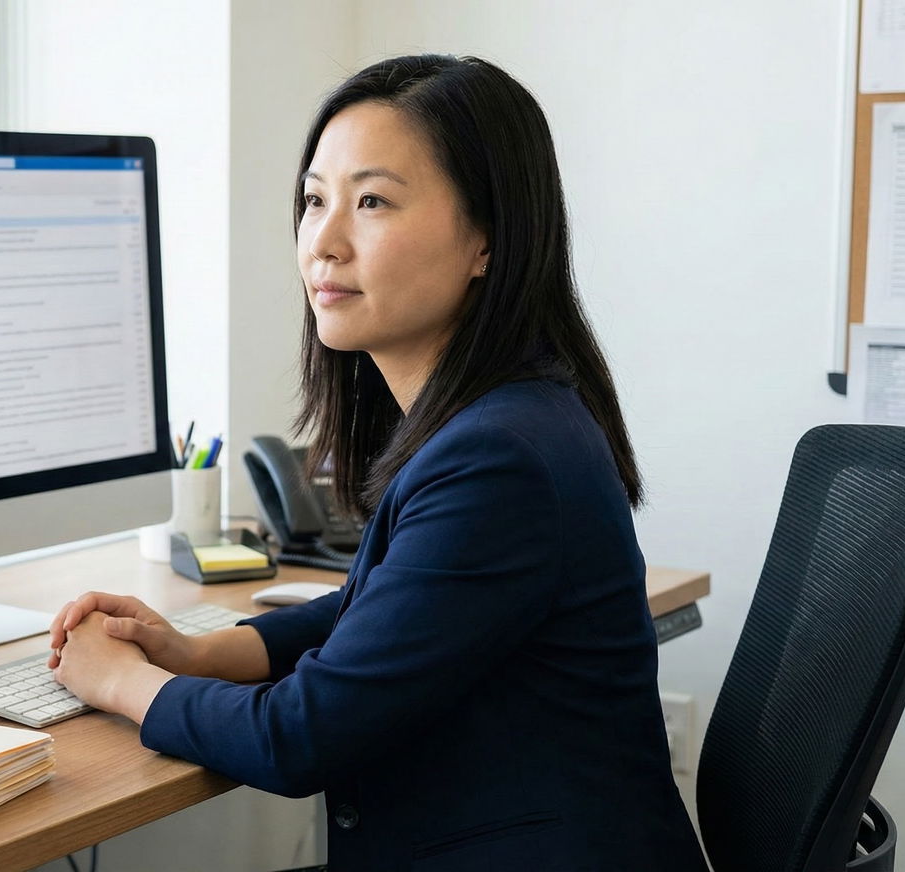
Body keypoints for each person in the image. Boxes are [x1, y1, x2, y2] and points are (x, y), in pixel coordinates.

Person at [47, 54, 707, 871]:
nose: (323, 242)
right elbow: (382, 611)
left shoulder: (498, 461)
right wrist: (207, 651)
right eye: (314, 200)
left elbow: (301, 738)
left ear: (486, 242)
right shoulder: (505, 414)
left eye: (371, 202)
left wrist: (116, 682)